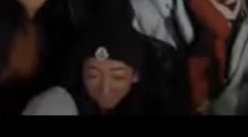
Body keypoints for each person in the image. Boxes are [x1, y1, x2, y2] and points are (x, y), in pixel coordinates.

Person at [22, 21, 154, 115]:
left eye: (117, 77)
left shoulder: (151, 104)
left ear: (136, 75)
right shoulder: (54, 106)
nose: (105, 89)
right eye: (93, 76)